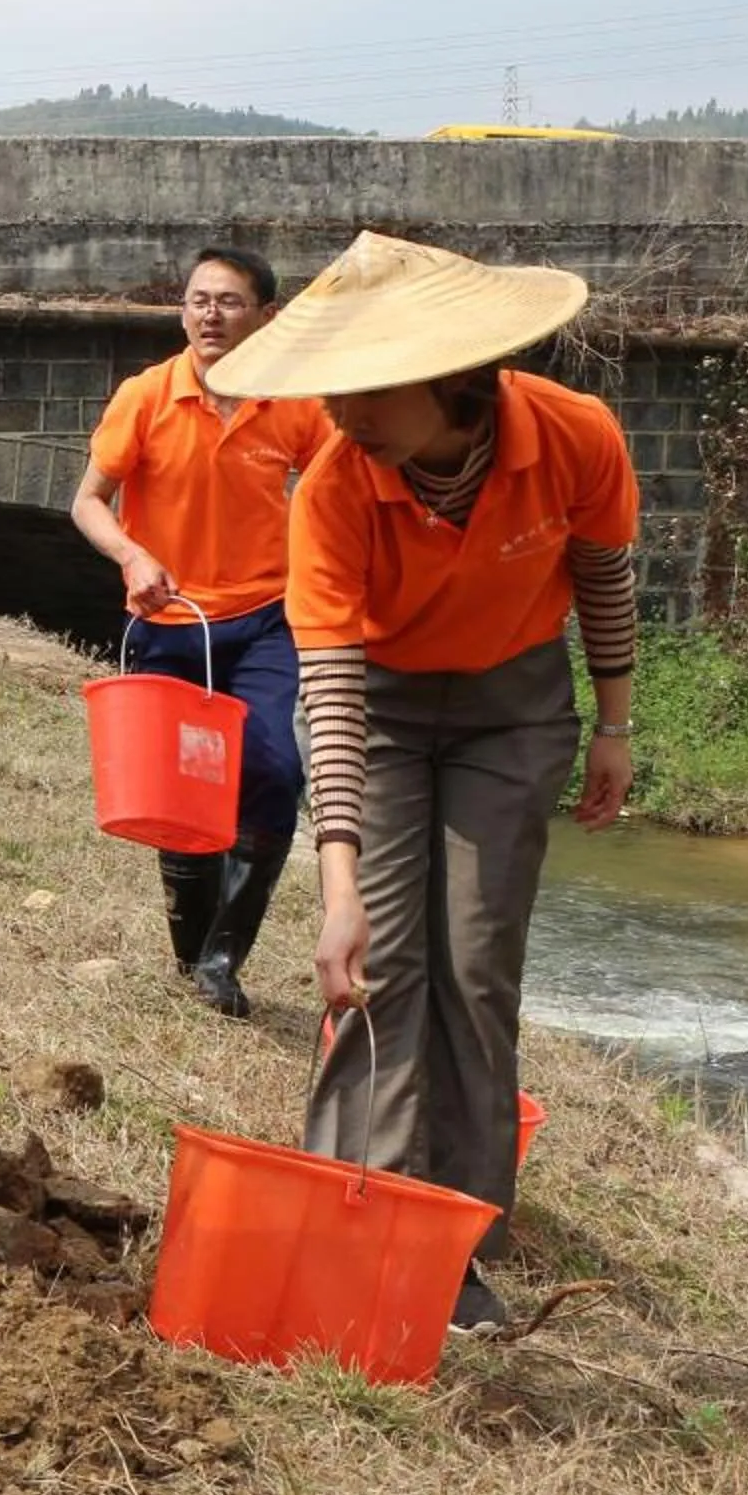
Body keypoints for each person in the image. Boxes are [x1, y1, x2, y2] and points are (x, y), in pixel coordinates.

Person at [208, 231, 638, 1335]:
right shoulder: (338, 487)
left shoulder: (575, 437)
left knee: (477, 966)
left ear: (448, 376)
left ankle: (455, 1246)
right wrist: (338, 879)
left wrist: (616, 725)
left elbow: (601, 571)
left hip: (514, 705)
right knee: (383, 965)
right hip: (386, 712)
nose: (336, 411)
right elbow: (338, 695)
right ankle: (354, 1218)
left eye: (360, 388)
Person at [71, 246, 332, 1018]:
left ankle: (224, 957)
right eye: (197, 300)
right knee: (182, 794)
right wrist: (131, 553)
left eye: (228, 301)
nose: (209, 314)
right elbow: (89, 501)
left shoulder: (294, 404)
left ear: (267, 317)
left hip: (263, 619)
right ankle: (192, 952)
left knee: (274, 773)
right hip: (168, 619)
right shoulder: (146, 397)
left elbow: (334, 493)